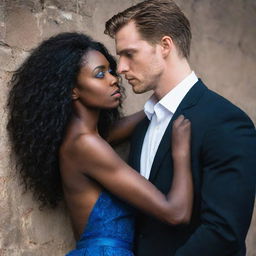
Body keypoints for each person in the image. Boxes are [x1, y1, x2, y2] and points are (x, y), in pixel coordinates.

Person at [7, 32, 194, 256]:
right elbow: (175, 213)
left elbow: (120, 128)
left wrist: (162, 98)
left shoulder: (82, 139)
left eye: (110, 70)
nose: (114, 78)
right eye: (99, 74)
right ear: (72, 90)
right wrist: (181, 154)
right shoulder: (87, 146)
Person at [104, 0, 256, 255]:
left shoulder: (226, 122)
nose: (120, 68)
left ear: (165, 45)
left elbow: (223, 234)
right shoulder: (144, 124)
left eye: (129, 53)